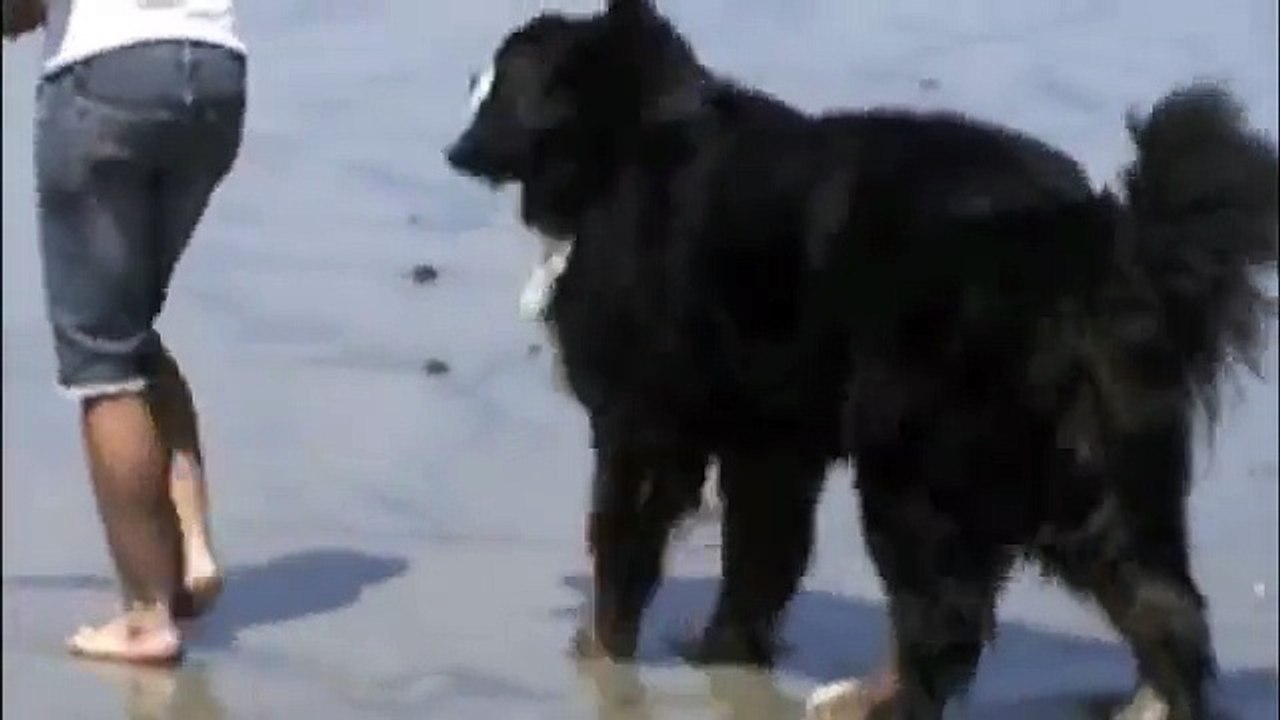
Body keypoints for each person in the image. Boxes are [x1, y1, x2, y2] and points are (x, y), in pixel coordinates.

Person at [4, 0, 247, 664]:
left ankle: (146, 616)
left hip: (105, 78)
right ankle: (191, 550)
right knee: (129, 321)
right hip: (216, 72)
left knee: (101, 360)